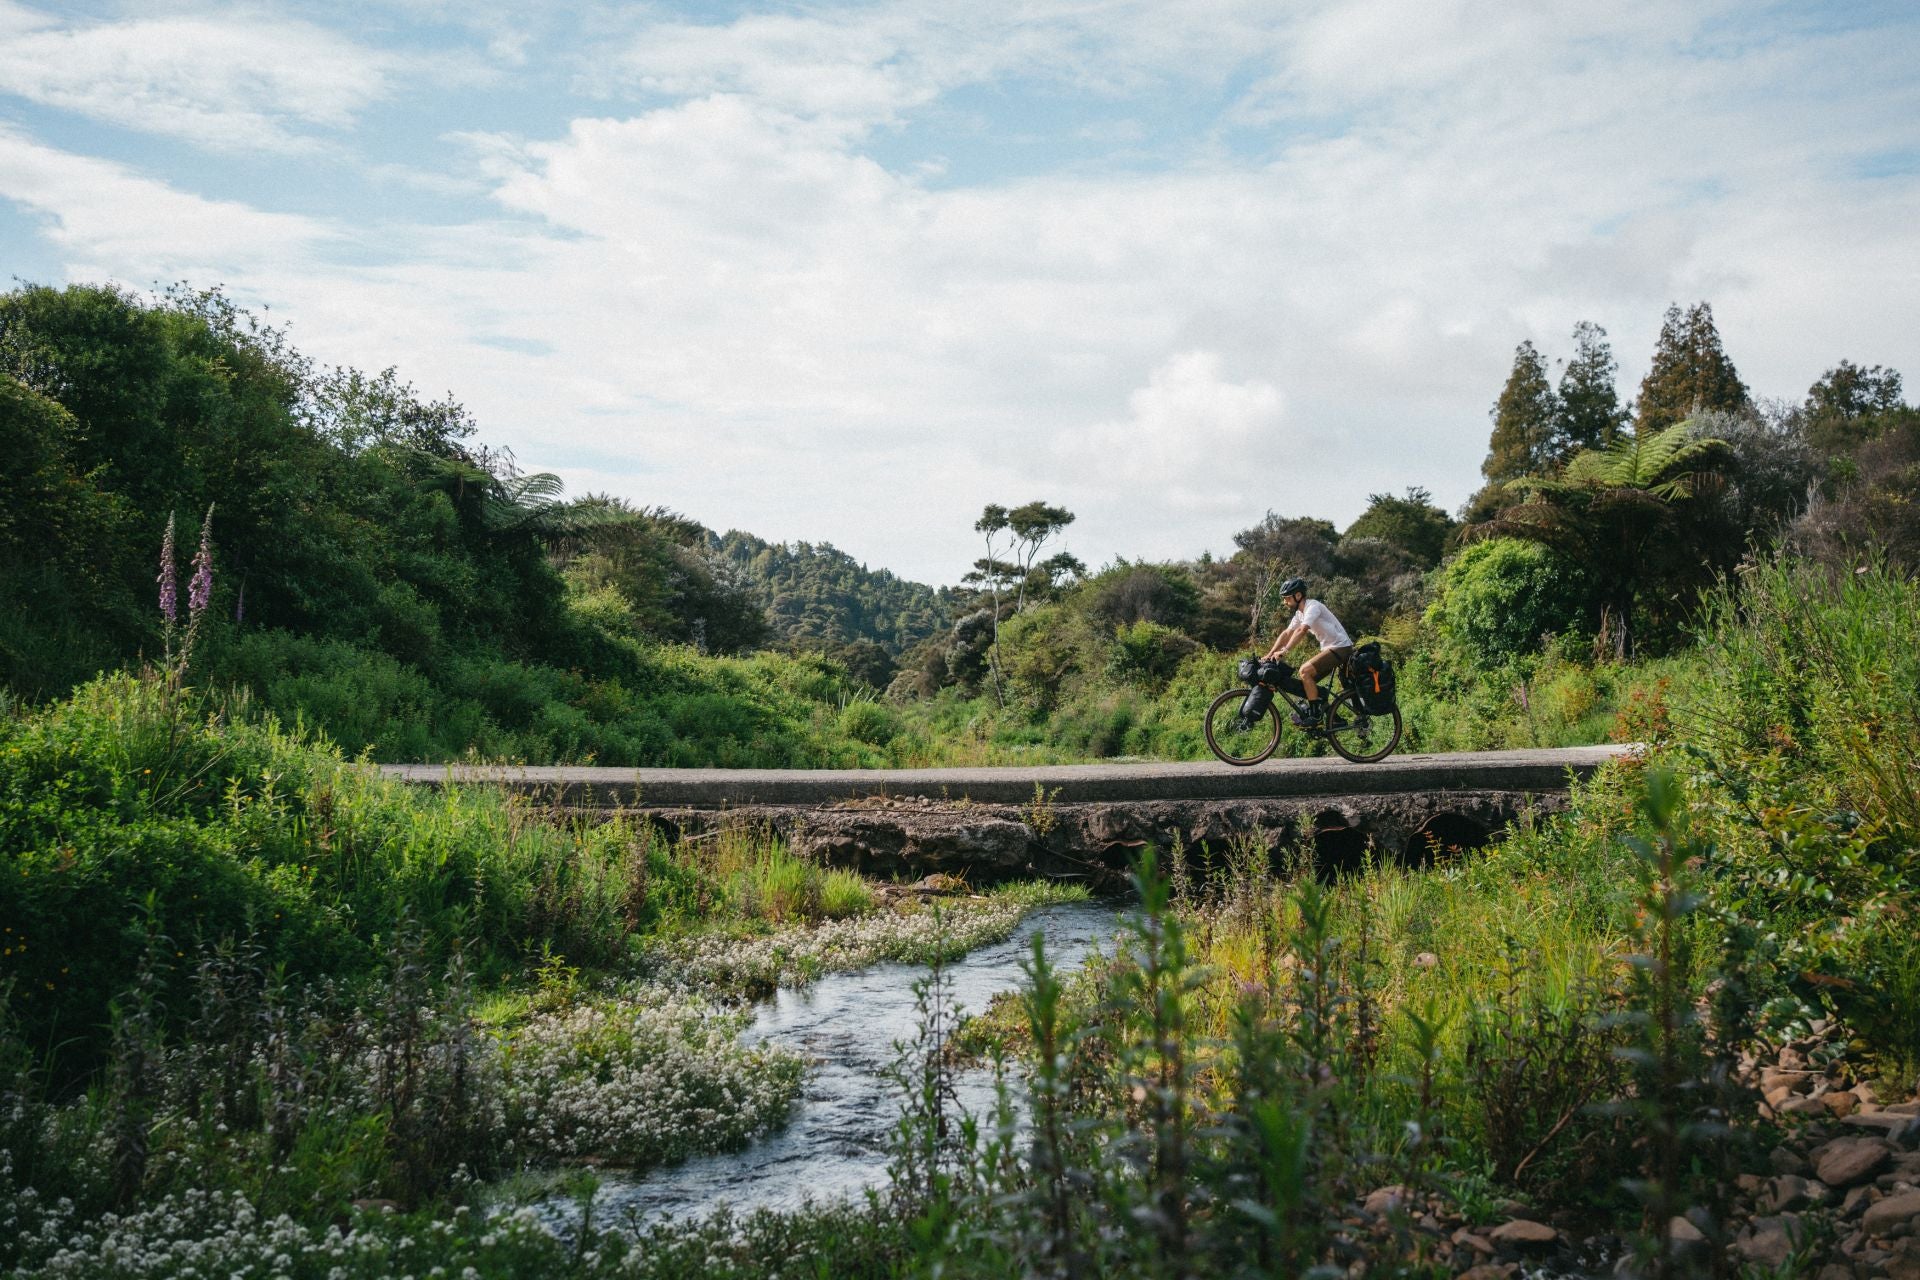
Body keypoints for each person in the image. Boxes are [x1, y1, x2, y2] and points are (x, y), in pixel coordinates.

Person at [1262, 577, 1353, 727]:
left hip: (1341, 647)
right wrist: (1270, 653)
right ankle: (1335, 720)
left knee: (1305, 670)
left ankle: (1316, 716)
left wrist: (1284, 651)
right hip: (1330, 649)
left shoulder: (1313, 606)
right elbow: (1287, 633)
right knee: (1307, 684)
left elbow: (1301, 630)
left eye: (1287, 598)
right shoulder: (1299, 614)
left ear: (1298, 596)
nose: (1284, 602)